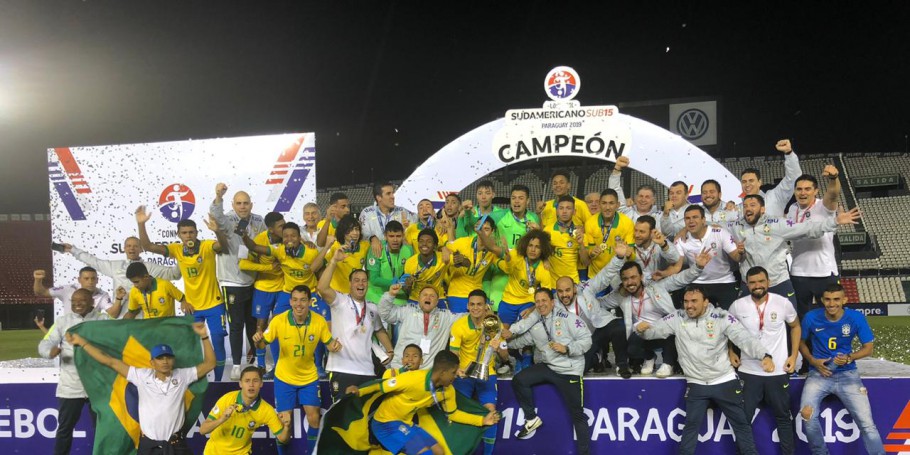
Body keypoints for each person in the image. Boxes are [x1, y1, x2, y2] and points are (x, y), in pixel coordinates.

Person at [635, 286, 774, 455]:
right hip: (696, 383)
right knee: (690, 427)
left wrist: (764, 355)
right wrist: (641, 330)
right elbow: (654, 331)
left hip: (724, 380)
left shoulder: (721, 317)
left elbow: (743, 338)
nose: (689, 306)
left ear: (706, 302)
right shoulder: (677, 317)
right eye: (686, 301)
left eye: (694, 301)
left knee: (741, 425)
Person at [67, 322, 216, 455]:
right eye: (160, 358)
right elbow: (110, 361)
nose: (165, 361)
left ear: (173, 360)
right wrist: (82, 342)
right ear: (152, 363)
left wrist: (204, 336)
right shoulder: (141, 376)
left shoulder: (183, 375)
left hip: (176, 445)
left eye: (168, 357)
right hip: (149, 446)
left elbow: (210, 364)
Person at [136, 205, 229, 380]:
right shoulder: (176, 250)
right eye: (184, 233)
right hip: (193, 308)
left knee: (218, 340)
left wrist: (218, 231)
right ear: (179, 235)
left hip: (214, 304)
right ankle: (196, 381)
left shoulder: (207, 246)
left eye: (191, 232)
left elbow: (224, 246)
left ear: (196, 233)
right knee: (191, 344)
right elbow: (147, 246)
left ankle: (218, 381)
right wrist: (141, 224)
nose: (188, 236)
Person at [346, 351, 500, 455]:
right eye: (453, 373)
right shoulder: (413, 379)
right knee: (425, 453)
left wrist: (482, 420)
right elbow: (380, 386)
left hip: (406, 423)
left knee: (439, 451)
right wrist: (358, 391)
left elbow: (453, 414)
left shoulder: (448, 390)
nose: (456, 376)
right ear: (442, 373)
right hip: (385, 424)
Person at [501, 288, 593, 455]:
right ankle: (531, 419)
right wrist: (502, 344)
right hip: (549, 367)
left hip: (569, 370)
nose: (540, 304)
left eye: (544, 300)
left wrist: (567, 348)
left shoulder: (568, 318)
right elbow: (522, 340)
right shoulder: (537, 324)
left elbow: (587, 340)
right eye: (537, 301)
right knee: (519, 380)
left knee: (577, 415)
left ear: (552, 302)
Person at [252, 285, 342, 455]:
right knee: (284, 424)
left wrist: (335, 346)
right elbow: (263, 344)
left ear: (309, 301)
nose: (298, 304)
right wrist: (258, 341)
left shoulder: (319, 321)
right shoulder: (279, 320)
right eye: (295, 300)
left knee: (314, 419)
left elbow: (329, 343)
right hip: (284, 378)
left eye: (302, 300)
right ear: (290, 301)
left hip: (309, 378)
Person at [798, 284, 885, 455]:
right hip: (819, 374)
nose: (832, 304)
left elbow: (868, 348)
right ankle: (821, 453)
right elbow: (800, 343)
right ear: (822, 300)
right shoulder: (811, 317)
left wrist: (849, 357)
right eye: (828, 299)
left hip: (848, 374)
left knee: (867, 424)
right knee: (807, 415)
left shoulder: (856, 318)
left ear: (844, 300)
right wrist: (813, 361)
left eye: (836, 299)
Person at [731, 194, 860, 306]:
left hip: (778, 282)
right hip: (750, 284)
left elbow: (806, 228)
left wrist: (835, 221)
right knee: (746, 322)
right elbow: (719, 224)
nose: (748, 208)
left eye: (752, 205)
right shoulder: (736, 226)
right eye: (745, 206)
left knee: (791, 321)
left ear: (763, 209)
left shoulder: (777, 224)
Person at [603, 245, 711, 377]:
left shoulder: (657, 287)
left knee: (673, 329)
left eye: (633, 277)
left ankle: (668, 363)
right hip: (642, 332)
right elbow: (599, 304)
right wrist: (584, 294)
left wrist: (698, 267)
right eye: (625, 279)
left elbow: (681, 278)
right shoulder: (620, 295)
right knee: (631, 349)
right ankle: (649, 357)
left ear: (641, 277)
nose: (630, 282)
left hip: (664, 331)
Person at [242, 221, 329, 378]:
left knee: (316, 328)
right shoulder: (280, 250)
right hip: (287, 293)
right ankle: (277, 366)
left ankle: (317, 365)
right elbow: (254, 247)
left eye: (293, 236)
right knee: (275, 327)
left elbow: (320, 270)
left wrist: (320, 291)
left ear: (299, 237)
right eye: (286, 236)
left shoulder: (310, 252)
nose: (289, 239)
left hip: (310, 293)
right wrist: (243, 235)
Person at [728, 267, 800, 455]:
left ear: (768, 282)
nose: (757, 285)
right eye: (752, 282)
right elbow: (727, 330)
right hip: (748, 372)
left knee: (783, 418)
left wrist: (793, 356)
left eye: (761, 281)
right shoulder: (737, 306)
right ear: (747, 284)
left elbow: (795, 326)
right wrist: (730, 351)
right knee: (743, 421)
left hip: (777, 372)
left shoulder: (783, 303)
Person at [38, 288, 109, 455]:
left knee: (103, 429)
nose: (77, 304)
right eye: (74, 301)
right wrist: (49, 352)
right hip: (71, 386)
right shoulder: (63, 321)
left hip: (97, 386)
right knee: (65, 429)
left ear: (92, 302)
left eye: (82, 300)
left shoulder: (104, 320)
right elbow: (45, 343)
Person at [318, 248, 394, 400]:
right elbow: (322, 288)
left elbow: (379, 330)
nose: (361, 283)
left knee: (364, 412)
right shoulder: (340, 301)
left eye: (364, 280)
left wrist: (390, 350)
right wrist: (333, 261)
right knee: (342, 412)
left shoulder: (372, 308)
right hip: (341, 369)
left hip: (367, 371)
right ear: (350, 284)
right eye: (357, 280)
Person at [210, 183, 267, 380]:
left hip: (252, 280)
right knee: (236, 325)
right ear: (233, 205)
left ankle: (256, 361)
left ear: (251, 204)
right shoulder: (227, 220)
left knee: (253, 323)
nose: (242, 206)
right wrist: (219, 196)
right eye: (239, 203)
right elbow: (216, 216)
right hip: (231, 281)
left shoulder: (258, 221)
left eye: (245, 203)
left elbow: (265, 242)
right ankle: (236, 365)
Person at [59, 238, 181, 317]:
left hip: (145, 318)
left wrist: (182, 259)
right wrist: (73, 250)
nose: (131, 248)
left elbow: (174, 274)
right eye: (128, 246)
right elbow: (94, 262)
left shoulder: (150, 267)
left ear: (141, 249)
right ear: (124, 249)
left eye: (135, 246)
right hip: (123, 318)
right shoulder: (115, 266)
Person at [449, 290, 502, 455]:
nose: (475, 308)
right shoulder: (459, 325)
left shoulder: (495, 324)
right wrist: (457, 370)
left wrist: (499, 349)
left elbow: (505, 355)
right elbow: (453, 355)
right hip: (465, 374)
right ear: (467, 306)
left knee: (491, 412)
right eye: (472, 304)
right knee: (457, 412)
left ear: (486, 306)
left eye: (479, 304)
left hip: (487, 372)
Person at [787, 167, 842, 323]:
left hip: (824, 272)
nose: (802, 193)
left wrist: (833, 178)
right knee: (800, 318)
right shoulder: (792, 209)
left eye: (807, 189)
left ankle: (830, 340)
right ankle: (805, 341)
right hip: (798, 272)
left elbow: (833, 194)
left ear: (816, 191)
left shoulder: (823, 206)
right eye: (799, 189)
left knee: (830, 316)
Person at [664, 205, 741, 310]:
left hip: (725, 281)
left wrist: (741, 252)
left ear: (703, 220)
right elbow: (677, 267)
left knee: (728, 315)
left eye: (695, 217)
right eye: (687, 218)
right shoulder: (681, 240)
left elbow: (737, 257)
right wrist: (662, 274)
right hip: (697, 283)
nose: (691, 221)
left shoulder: (720, 233)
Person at [200, 365, 291, 454]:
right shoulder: (227, 399)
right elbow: (203, 430)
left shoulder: (266, 410)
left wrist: (287, 426)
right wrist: (222, 419)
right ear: (240, 383)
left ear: (261, 383)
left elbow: (283, 439)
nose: (251, 385)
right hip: (213, 451)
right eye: (247, 381)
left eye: (255, 381)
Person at [555, 274, 629, 377]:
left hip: (597, 333)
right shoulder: (553, 306)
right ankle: (597, 357)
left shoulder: (585, 293)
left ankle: (622, 365)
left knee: (618, 328)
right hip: (580, 343)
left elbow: (604, 275)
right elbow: (539, 309)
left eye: (567, 290)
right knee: (580, 370)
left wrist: (619, 262)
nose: (564, 295)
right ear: (556, 292)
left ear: (574, 289)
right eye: (560, 291)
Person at [239, 212, 286, 370]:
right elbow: (243, 264)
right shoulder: (259, 239)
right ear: (271, 229)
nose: (285, 228)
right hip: (263, 289)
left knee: (280, 327)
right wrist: (268, 268)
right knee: (260, 327)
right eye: (281, 226)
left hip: (283, 289)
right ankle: (260, 365)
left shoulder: (288, 238)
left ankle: (279, 365)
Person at [379, 283, 461, 370]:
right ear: (418, 299)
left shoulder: (446, 317)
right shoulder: (407, 311)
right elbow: (385, 313)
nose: (428, 298)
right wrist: (390, 295)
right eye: (424, 295)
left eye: (432, 296)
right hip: (400, 367)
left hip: (426, 373)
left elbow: (466, 318)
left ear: (437, 301)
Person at [738, 139, 803, 218]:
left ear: (759, 182)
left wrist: (789, 153)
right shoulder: (737, 208)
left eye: (751, 181)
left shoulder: (775, 197)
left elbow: (794, 177)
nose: (747, 184)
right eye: (744, 181)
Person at [444, 216, 497, 313]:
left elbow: (506, 261)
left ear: (492, 231)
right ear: (476, 228)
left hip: (477, 295)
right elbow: (445, 250)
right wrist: (454, 260)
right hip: (457, 294)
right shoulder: (463, 242)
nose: (482, 232)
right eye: (480, 228)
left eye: (486, 229)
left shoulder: (492, 251)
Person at [583, 188, 634, 277]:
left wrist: (629, 254)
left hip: (618, 275)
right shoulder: (590, 223)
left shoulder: (627, 223)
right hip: (596, 275)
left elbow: (632, 256)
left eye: (611, 203)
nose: (607, 207)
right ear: (599, 204)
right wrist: (592, 253)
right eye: (604, 203)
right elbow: (588, 255)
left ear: (617, 205)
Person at [361, 181, 417, 257]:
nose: (393, 196)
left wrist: (406, 229)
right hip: (376, 256)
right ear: (379, 198)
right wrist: (372, 238)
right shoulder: (367, 213)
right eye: (388, 194)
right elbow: (363, 234)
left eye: (393, 193)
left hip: (399, 256)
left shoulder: (403, 212)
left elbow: (417, 227)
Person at [542, 195, 590, 284]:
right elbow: (541, 254)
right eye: (561, 208)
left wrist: (581, 244)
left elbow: (586, 263)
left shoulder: (579, 234)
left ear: (574, 212)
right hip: (552, 284)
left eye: (568, 208)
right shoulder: (547, 231)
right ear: (557, 211)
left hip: (572, 283)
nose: (564, 211)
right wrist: (545, 260)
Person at [366, 220, 413, 307]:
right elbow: (374, 279)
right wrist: (394, 282)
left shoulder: (409, 250)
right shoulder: (377, 248)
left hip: (399, 298)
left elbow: (410, 275)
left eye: (398, 236)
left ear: (403, 236)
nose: (395, 240)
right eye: (391, 236)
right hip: (377, 297)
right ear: (385, 236)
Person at [33, 267, 115, 317]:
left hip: (89, 333)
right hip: (69, 332)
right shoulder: (67, 289)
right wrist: (38, 280)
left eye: (93, 278)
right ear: (79, 280)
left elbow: (113, 313)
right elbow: (41, 292)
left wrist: (119, 298)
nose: (90, 282)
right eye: (86, 279)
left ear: (97, 280)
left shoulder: (102, 295)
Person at [402, 227, 451, 307]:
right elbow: (406, 290)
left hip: (438, 298)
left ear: (435, 245)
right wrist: (408, 286)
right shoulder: (410, 262)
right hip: (415, 299)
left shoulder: (443, 258)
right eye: (421, 241)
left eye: (429, 241)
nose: (424, 244)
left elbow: (461, 260)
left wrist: (444, 248)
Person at [324, 215, 370, 294]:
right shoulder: (335, 247)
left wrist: (373, 239)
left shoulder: (365, 246)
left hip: (354, 293)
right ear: (343, 232)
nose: (355, 233)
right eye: (350, 230)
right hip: (337, 293)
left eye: (357, 229)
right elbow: (320, 267)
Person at [610, 156, 663, 225]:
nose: (643, 200)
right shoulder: (626, 212)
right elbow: (614, 190)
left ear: (653, 201)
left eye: (647, 197)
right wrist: (617, 168)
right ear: (635, 198)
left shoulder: (661, 217)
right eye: (641, 196)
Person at [627, 215, 678, 284]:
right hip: (635, 286)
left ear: (652, 232)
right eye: (635, 230)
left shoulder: (660, 242)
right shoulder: (629, 244)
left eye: (642, 232)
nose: (636, 235)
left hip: (658, 285)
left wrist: (663, 245)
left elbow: (675, 259)